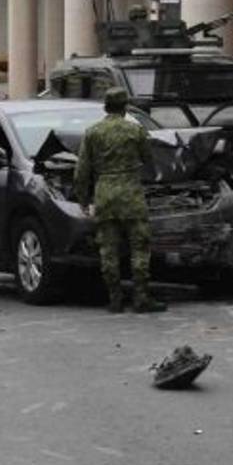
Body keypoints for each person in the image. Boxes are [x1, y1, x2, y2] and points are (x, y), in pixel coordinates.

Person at [74, 87, 166, 314]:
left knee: (108, 250)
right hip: (131, 194)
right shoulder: (135, 131)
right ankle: (141, 298)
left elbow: (81, 171)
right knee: (140, 248)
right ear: (125, 107)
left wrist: (83, 199)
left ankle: (115, 299)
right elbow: (149, 159)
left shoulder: (92, 132)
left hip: (104, 193)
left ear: (105, 106)